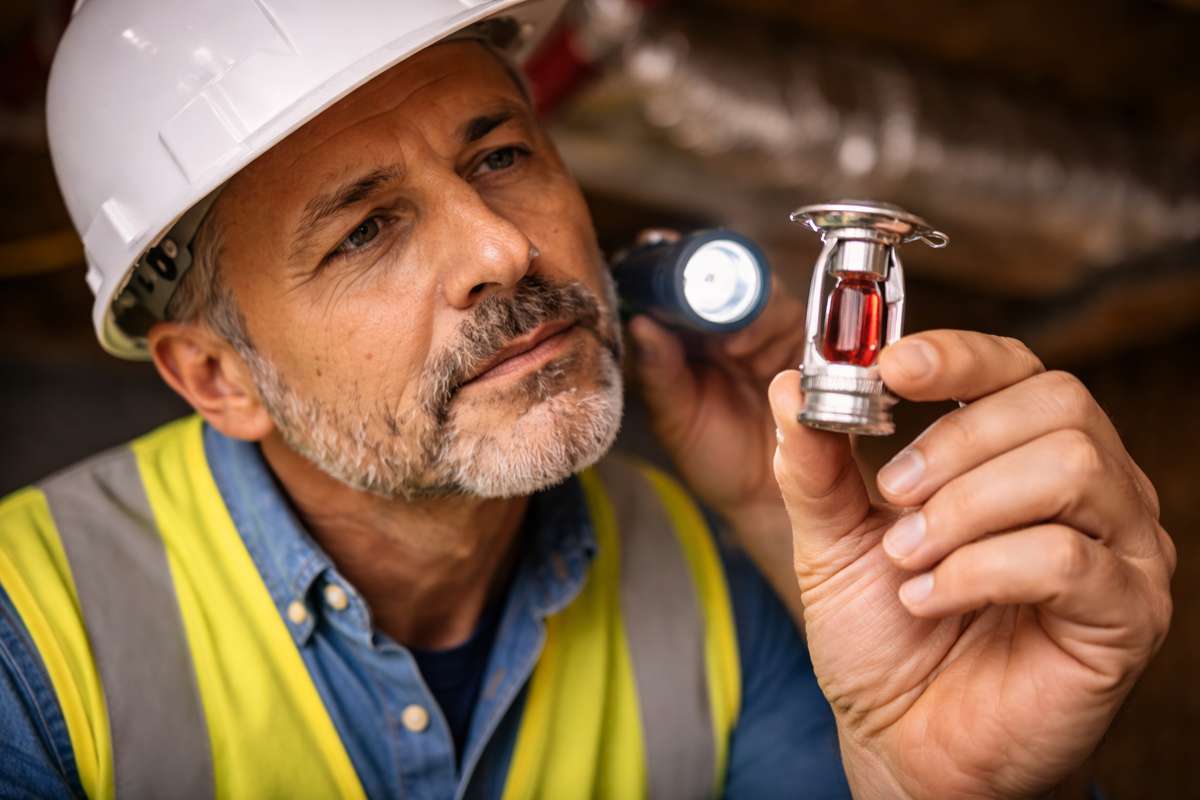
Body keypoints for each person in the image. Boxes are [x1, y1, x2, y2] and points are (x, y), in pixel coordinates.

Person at [0, 1, 1173, 798]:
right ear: (218, 375)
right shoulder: (29, 643)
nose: (503, 249)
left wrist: (939, 787)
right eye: (365, 229)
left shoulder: (722, 585)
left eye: (499, 156)